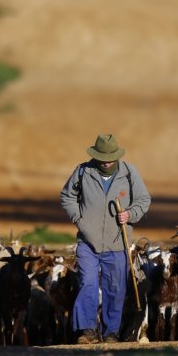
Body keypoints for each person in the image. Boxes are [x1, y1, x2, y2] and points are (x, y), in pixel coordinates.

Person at [59, 133, 151, 344]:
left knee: (115, 288)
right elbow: (67, 196)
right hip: (87, 242)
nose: (107, 160)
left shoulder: (129, 173)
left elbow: (144, 200)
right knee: (87, 283)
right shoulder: (83, 171)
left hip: (118, 242)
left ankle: (111, 333)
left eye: (111, 156)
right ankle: (87, 331)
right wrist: (79, 219)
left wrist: (130, 214)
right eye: (102, 156)